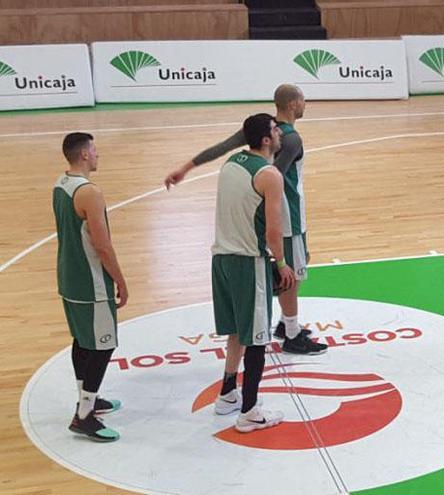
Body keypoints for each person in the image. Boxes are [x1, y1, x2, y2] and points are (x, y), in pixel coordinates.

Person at [164, 84, 326, 356]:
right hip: (288, 215)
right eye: (303, 100)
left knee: (296, 266)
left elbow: (221, 148)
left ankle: (286, 323)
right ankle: (292, 333)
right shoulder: (291, 139)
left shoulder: (262, 127)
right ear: (293, 103)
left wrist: (186, 168)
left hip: (272, 212)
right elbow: (272, 174)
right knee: (293, 273)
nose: (305, 104)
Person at [210, 113, 290, 432]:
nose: (280, 132)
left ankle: (228, 392)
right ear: (266, 140)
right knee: (257, 338)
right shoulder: (270, 175)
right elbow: (273, 231)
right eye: (275, 129)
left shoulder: (231, 162)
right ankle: (249, 412)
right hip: (248, 261)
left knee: (236, 330)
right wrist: (281, 264)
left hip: (221, 259)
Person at [53, 132, 127, 442]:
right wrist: (121, 282)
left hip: (68, 278)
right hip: (91, 284)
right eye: (94, 150)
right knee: (103, 345)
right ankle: (84, 416)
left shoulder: (61, 184)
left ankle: (88, 399)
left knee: (82, 340)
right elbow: (103, 247)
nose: (98, 154)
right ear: (84, 154)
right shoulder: (90, 193)